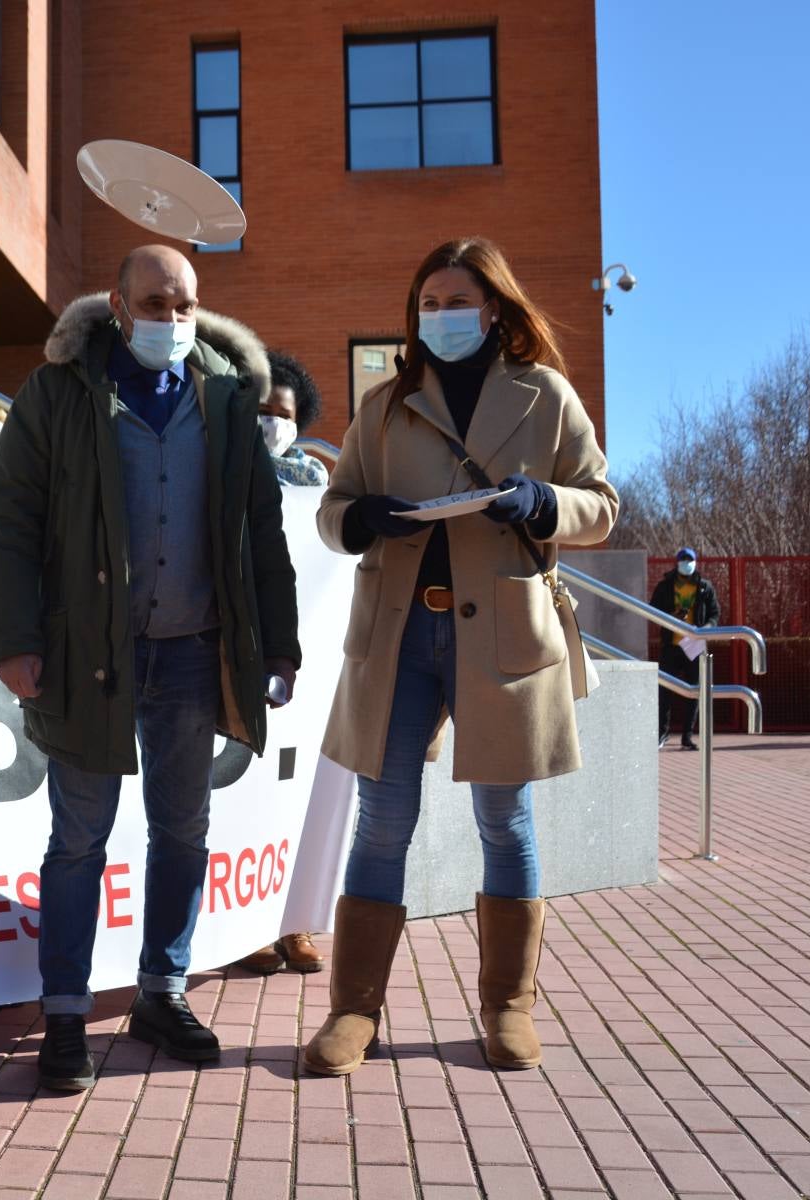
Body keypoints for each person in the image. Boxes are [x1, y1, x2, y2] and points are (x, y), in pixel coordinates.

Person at [0, 244, 301, 1091]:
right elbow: (9, 521)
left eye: (186, 305)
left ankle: (162, 991)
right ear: (116, 307)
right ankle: (63, 1014)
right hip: (91, 657)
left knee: (184, 831)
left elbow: (262, 532)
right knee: (78, 839)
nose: (173, 320)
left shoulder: (229, 402)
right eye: (156, 304)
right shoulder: (57, 395)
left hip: (196, 654)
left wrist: (280, 641)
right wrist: (15, 637)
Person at [305, 236, 617, 1077]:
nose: (442, 315)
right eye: (429, 302)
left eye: (458, 301)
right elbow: (331, 511)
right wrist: (367, 518)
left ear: (495, 309)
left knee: (504, 820)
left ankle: (508, 1007)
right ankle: (352, 1011)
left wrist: (543, 502)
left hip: (503, 635)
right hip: (398, 634)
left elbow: (602, 505)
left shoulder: (544, 394)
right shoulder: (384, 402)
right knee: (382, 819)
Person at [238, 348, 327, 977]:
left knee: (297, 788)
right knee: (240, 787)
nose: (272, 422)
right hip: (235, 643)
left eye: (283, 413)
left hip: (305, 650)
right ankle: (243, 928)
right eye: (262, 410)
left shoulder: (317, 482)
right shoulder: (224, 471)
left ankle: (295, 922)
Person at [650, 547, 720, 749]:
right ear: (677, 562)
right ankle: (662, 734)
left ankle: (687, 736)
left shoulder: (705, 587)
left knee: (695, 690)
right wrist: (671, 616)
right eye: (683, 559)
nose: (687, 563)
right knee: (665, 690)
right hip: (671, 645)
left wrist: (705, 630)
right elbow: (653, 609)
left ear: (696, 562)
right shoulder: (665, 586)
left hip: (694, 645)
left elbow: (715, 614)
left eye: (690, 560)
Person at [260, 349, 331, 487]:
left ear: (297, 421)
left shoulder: (314, 476)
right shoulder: (226, 468)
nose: (274, 423)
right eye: (264, 411)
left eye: (284, 416)